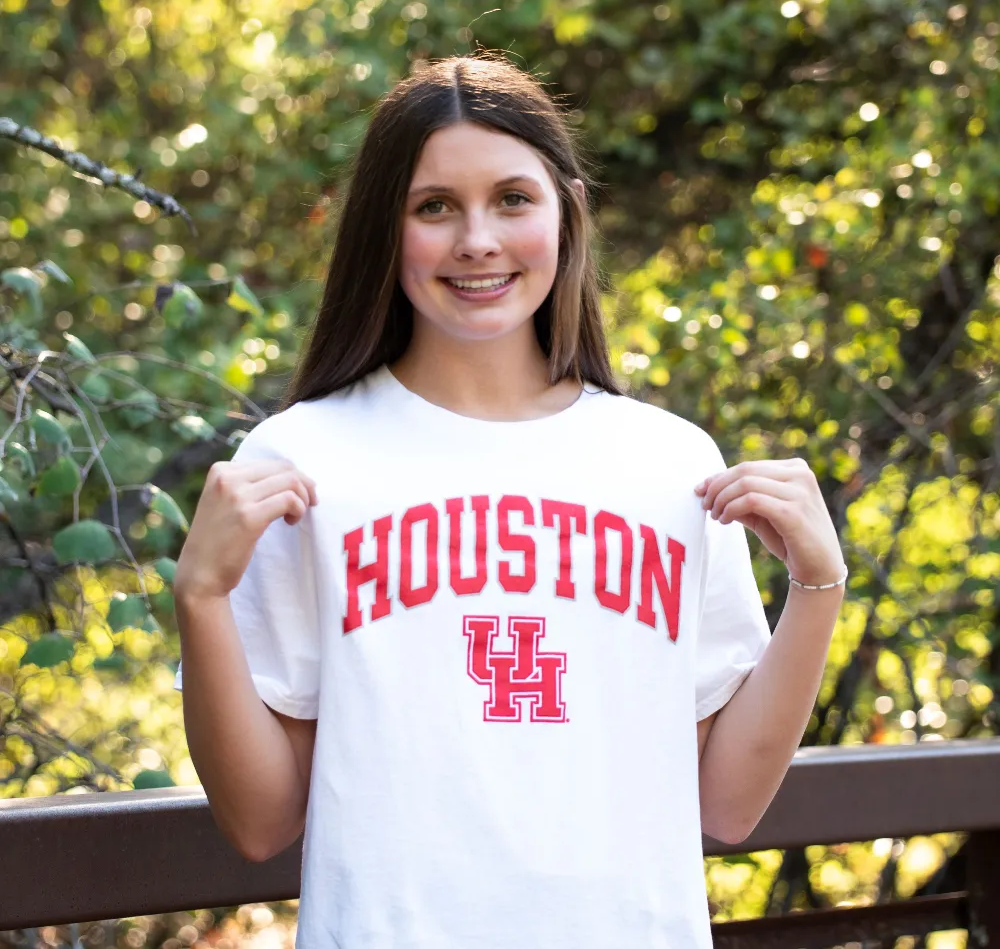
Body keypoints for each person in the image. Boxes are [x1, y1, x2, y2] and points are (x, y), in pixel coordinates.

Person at [172, 52, 847, 949]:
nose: (477, 239)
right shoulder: (304, 463)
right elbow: (260, 823)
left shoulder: (670, 465)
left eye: (513, 199)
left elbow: (727, 804)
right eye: (434, 207)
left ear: (568, 209)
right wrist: (201, 596)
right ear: (385, 227)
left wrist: (818, 587)